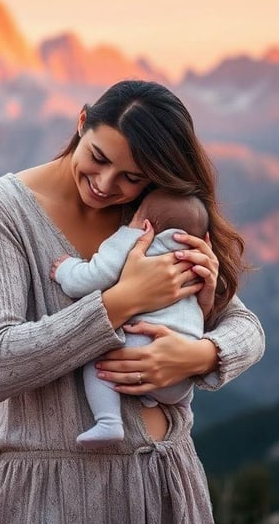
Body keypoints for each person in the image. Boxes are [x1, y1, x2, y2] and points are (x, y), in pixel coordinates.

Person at [0, 80, 265, 523]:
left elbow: (247, 330)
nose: (105, 184)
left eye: (131, 177)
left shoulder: (150, 214)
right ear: (82, 123)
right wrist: (120, 302)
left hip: (170, 484)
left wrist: (199, 352)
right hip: (54, 498)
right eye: (98, 158)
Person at [51, 189, 210, 448]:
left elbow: (91, 277)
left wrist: (65, 270)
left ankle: (108, 422)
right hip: (183, 371)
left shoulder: (133, 239)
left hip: (139, 353)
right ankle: (180, 407)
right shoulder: (196, 257)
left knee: (98, 360)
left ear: (145, 224)